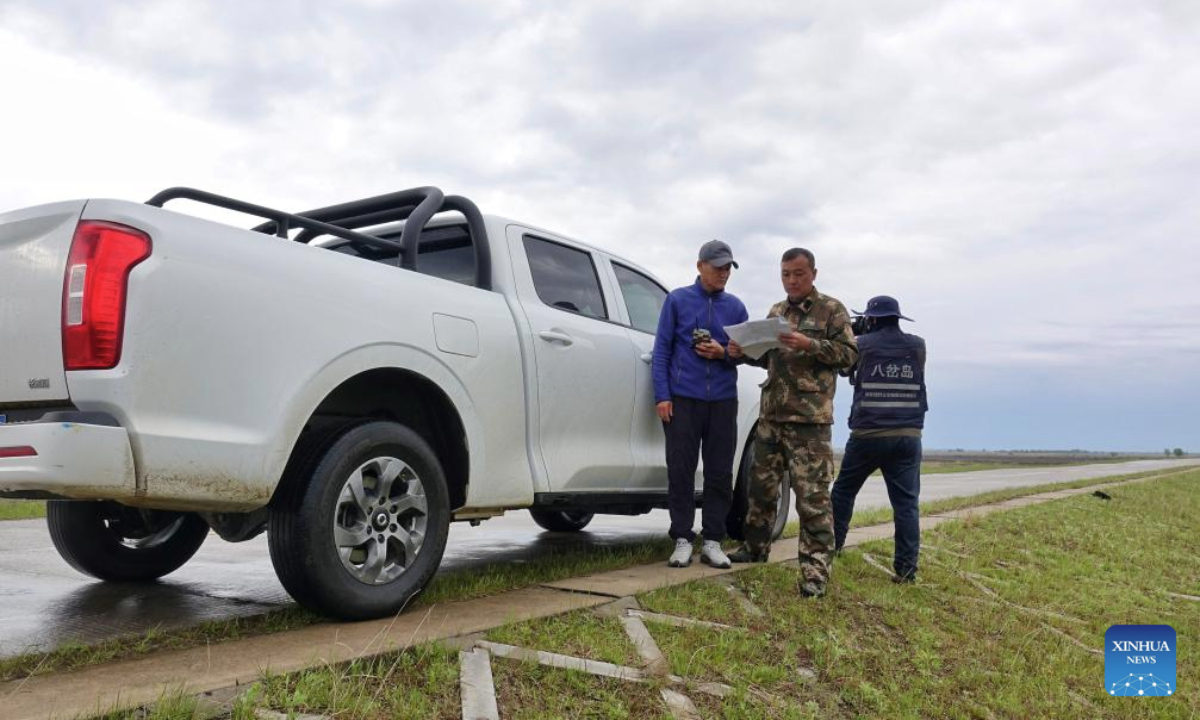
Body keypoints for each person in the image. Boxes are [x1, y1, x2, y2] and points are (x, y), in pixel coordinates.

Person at [727, 248, 857, 598]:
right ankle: (755, 548)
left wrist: (810, 344)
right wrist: (745, 352)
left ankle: (815, 572)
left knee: (812, 497)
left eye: (798, 274)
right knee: (761, 489)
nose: (792, 280)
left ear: (813, 273)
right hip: (771, 416)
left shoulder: (832, 310)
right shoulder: (776, 312)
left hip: (809, 422)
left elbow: (849, 356)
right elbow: (769, 358)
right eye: (786, 274)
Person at [652, 240, 749, 569]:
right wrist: (662, 395)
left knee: (720, 472)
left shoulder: (736, 307)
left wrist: (723, 353)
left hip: (723, 399)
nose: (723, 273)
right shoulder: (677, 300)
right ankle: (682, 538)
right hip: (683, 398)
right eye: (717, 267)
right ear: (700, 266)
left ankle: (712, 540)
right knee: (680, 469)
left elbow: (749, 353)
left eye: (727, 268)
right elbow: (662, 350)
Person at [831, 295, 928, 583]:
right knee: (906, 505)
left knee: (844, 492)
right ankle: (907, 570)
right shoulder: (918, 345)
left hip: (868, 435)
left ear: (871, 320)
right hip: (908, 436)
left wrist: (854, 334)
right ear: (898, 318)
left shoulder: (862, 345)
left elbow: (843, 368)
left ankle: (832, 547)